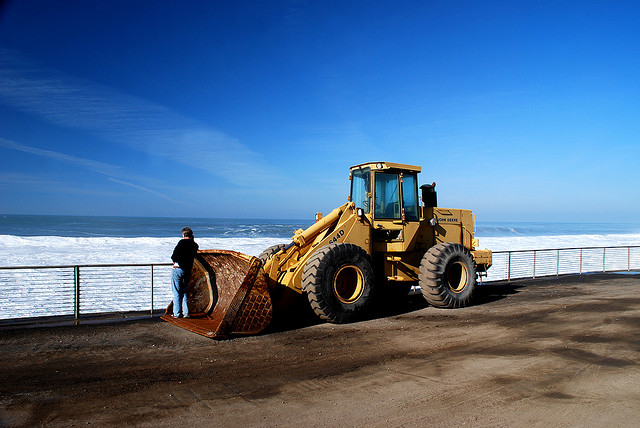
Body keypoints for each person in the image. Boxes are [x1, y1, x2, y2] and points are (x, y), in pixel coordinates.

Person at [170, 227, 199, 318]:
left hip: (178, 269)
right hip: (187, 270)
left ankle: (177, 313)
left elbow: (174, 256)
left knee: (177, 292)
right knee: (185, 292)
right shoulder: (194, 245)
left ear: (183, 234)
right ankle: (186, 313)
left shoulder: (181, 243)